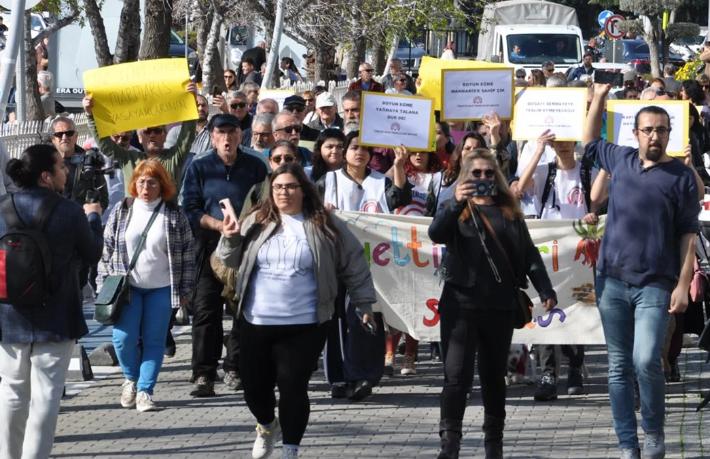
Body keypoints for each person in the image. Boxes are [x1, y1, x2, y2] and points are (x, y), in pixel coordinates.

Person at [217, 162, 375, 459]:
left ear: (304, 190)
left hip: (306, 323)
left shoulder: (324, 223)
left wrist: (364, 303)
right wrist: (229, 237)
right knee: (254, 390)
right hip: (257, 320)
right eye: (277, 187)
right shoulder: (257, 220)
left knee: (292, 385)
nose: (283, 193)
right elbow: (229, 260)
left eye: (290, 187)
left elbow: (353, 261)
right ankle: (266, 426)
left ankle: (291, 448)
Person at [583, 83, 702, 459]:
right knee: (618, 367)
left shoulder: (680, 178)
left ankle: (653, 432)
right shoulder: (621, 161)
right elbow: (588, 142)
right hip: (611, 281)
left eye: (661, 130)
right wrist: (599, 100)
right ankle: (627, 443)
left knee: (646, 359)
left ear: (669, 134)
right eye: (647, 129)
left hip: (655, 284)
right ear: (635, 134)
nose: (654, 135)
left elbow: (688, 236)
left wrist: (683, 285)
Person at [430, 148, 556, 459]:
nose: (483, 178)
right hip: (460, 305)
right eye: (476, 174)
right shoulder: (456, 209)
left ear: (497, 178)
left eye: (489, 174)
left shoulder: (509, 211)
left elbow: (528, 254)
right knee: (456, 377)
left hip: (499, 307)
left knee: (493, 377)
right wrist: (456, 200)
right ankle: (450, 444)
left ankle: (493, 444)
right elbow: (436, 233)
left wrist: (545, 288)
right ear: (465, 177)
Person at [0, 144, 103, 459]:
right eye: (61, 166)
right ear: (46, 176)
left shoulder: (2, 207)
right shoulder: (69, 211)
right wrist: (94, 218)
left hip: (9, 314)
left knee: (11, 392)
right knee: (45, 396)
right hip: (56, 313)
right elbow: (92, 253)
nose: (67, 170)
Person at [317, 130, 410, 400]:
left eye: (365, 149)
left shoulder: (380, 181)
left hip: (373, 264)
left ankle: (364, 375)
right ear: (345, 152)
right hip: (335, 261)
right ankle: (338, 378)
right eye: (354, 147)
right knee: (337, 319)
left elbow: (399, 200)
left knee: (367, 317)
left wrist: (400, 166)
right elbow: (312, 209)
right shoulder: (329, 180)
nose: (360, 153)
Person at [98, 159, 195, 412]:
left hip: (162, 288)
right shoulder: (123, 209)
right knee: (123, 339)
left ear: (161, 185)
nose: (145, 187)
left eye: (152, 182)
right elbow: (107, 247)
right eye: (141, 182)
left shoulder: (174, 213)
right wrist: (103, 283)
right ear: (134, 184)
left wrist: (185, 290)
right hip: (127, 288)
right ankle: (131, 378)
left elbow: (187, 252)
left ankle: (145, 391)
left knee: (154, 341)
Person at [182, 113, 268, 397]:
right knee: (206, 310)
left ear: (240, 135)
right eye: (221, 133)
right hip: (209, 244)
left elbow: (265, 203)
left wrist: (246, 223)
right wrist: (218, 224)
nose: (227, 138)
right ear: (213, 136)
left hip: (245, 244)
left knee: (243, 309)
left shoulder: (255, 166)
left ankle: (236, 367)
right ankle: (204, 374)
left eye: (232, 132)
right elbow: (191, 208)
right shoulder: (200, 167)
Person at [515, 129, 597, 400]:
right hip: (548, 253)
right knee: (546, 310)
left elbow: (600, 201)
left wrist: (593, 215)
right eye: (557, 140)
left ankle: (574, 367)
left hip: (579, 255)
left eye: (567, 138)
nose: (563, 145)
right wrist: (538, 149)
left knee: (579, 308)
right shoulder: (544, 171)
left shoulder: (587, 172)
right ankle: (548, 373)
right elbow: (518, 190)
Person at [83, 84, 198, 192]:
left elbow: (187, 136)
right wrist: (90, 115)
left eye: (157, 131)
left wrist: (191, 102)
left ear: (164, 136)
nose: (152, 135)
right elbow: (105, 145)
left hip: (167, 213)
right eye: (147, 131)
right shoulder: (129, 158)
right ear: (139, 138)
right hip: (135, 212)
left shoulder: (174, 157)